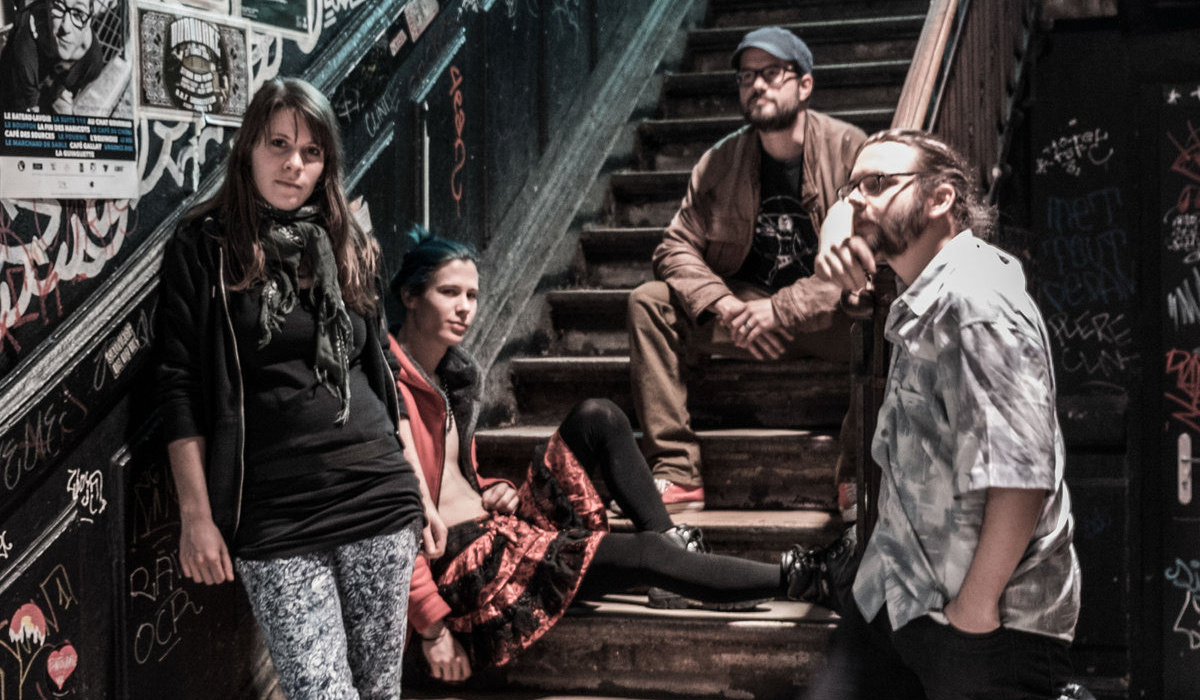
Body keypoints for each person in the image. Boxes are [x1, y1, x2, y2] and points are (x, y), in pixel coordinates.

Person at [390, 235, 817, 682]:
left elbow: (457, 476)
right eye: (449, 293)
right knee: (646, 552)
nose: (465, 308)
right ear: (410, 296)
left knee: (600, 418)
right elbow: (393, 517)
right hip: (468, 571)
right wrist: (432, 626)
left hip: (498, 526)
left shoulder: (451, 378)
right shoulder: (385, 388)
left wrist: (495, 488)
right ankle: (802, 577)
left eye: (472, 295)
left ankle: (675, 549)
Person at [156, 77, 440, 700]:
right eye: (279, 144)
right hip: (273, 511)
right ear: (249, 149)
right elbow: (179, 389)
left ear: (326, 163)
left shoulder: (348, 241)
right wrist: (196, 517)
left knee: (378, 691)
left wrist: (421, 489)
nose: (294, 164)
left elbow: (380, 373)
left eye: (311, 152)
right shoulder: (204, 248)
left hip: (375, 493)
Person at [808, 129, 1081, 698]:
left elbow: (1021, 474)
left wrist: (974, 610)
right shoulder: (927, 293)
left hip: (985, 627)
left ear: (940, 199)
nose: (857, 200)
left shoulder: (976, 299)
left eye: (876, 183)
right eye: (851, 188)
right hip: (901, 596)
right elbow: (847, 212)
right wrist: (837, 225)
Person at [627, 26, 866, 513]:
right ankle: (676, 469)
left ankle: (858, 473)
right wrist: (727, 307)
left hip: (827, 321)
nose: (756, 85)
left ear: (805, 84)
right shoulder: (720, 162)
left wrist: (779, 311)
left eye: (771, 73)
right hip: (743, 319)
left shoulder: (850, 149)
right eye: (746, 77)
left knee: (882, 312)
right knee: (648, 303)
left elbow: (865, 256)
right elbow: (674, 247)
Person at [0, 0, 105, 114]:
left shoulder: (92, 60)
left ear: (90, 19)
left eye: (78, 13)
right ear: (48, 6)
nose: (66, 27)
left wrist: (58, 89)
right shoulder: (25, 53)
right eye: (59, 6)